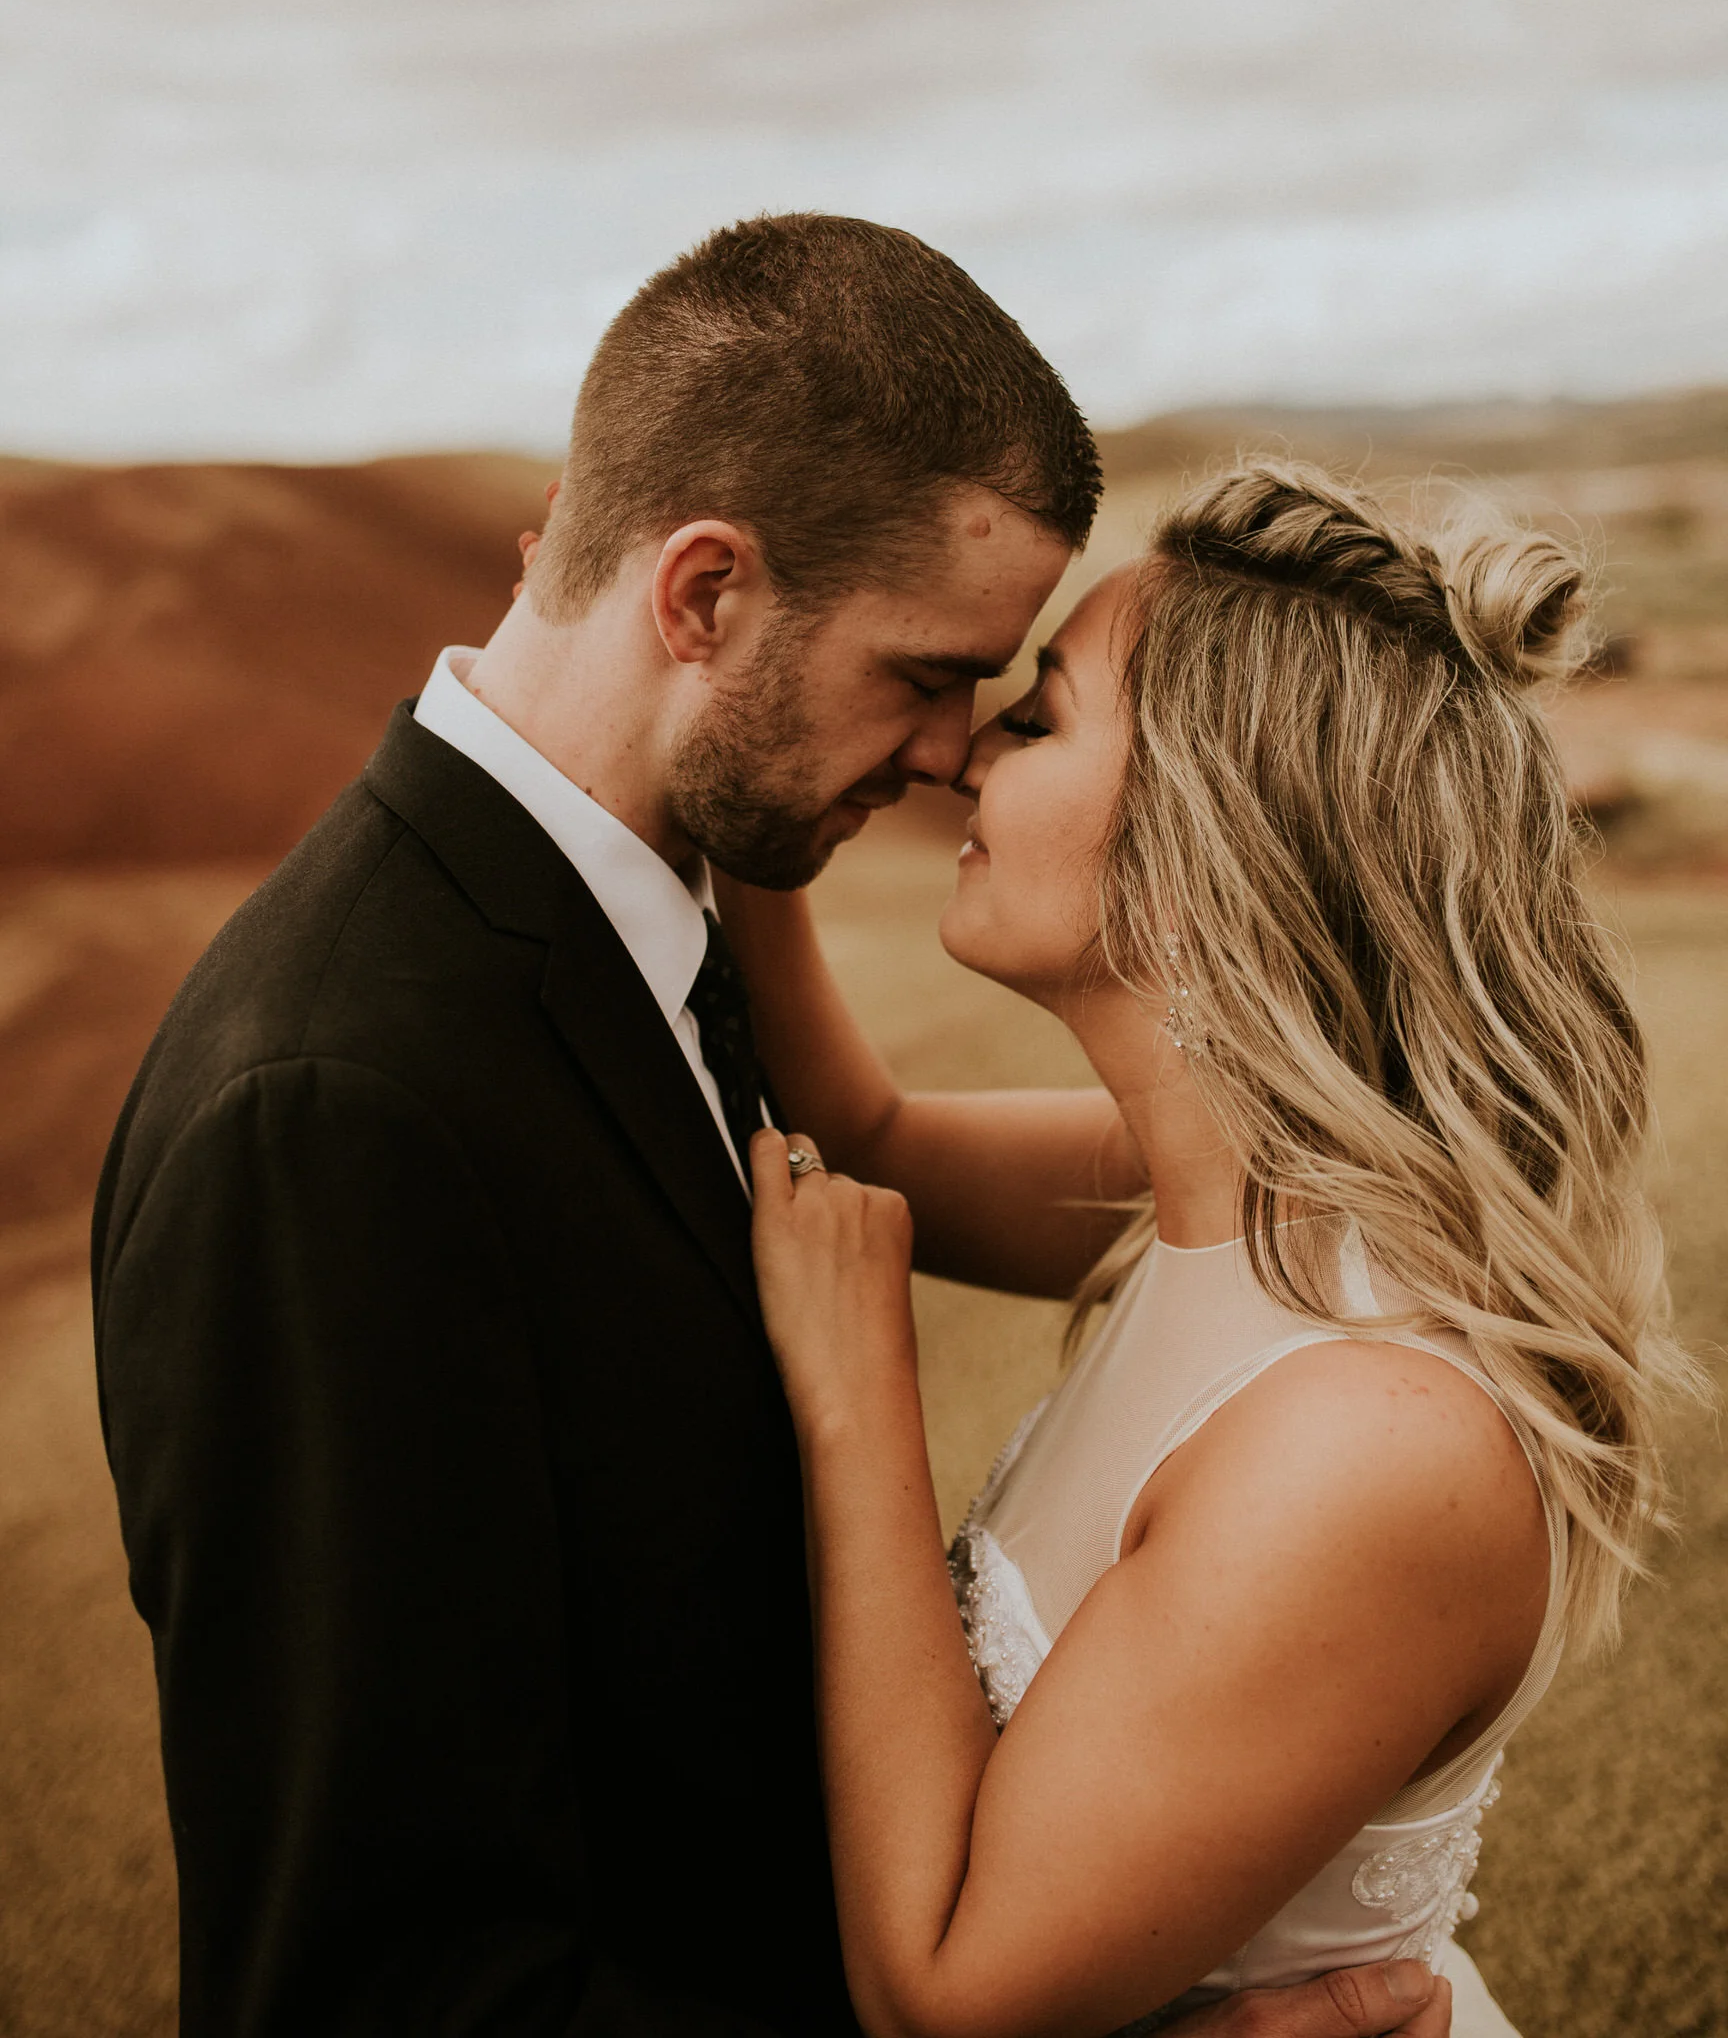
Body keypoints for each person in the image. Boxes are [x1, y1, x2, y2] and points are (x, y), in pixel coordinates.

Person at [92, 219, 1444, 2038]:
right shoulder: (336, 1114)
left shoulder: (639, 931)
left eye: (1002, 692)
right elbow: (396, 1989)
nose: (956, 748)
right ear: (705, 597)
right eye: (927, 671)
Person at [732, 461, 1694, 2038]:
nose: (972, 751)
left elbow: (942, 1997)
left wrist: (855, 1402)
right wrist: (749, 773)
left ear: (1200, 847)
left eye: (1040, 718)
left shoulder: (1367, 1441)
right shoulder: (1228, 1199)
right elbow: (868, 1126)